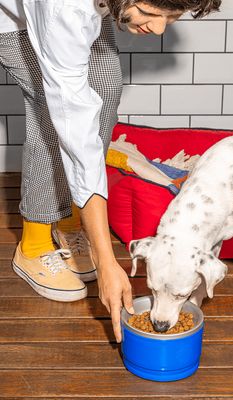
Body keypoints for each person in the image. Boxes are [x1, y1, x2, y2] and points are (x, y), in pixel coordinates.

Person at [0, 0, 221, 342]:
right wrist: (106, 260)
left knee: (104, 88)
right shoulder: (65, 9)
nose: (160, 29)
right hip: (13, 18)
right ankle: (34, 242)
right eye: (150, 13)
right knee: (49, 112)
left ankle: (71, 220)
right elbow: (73, 125)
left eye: (171, 16)